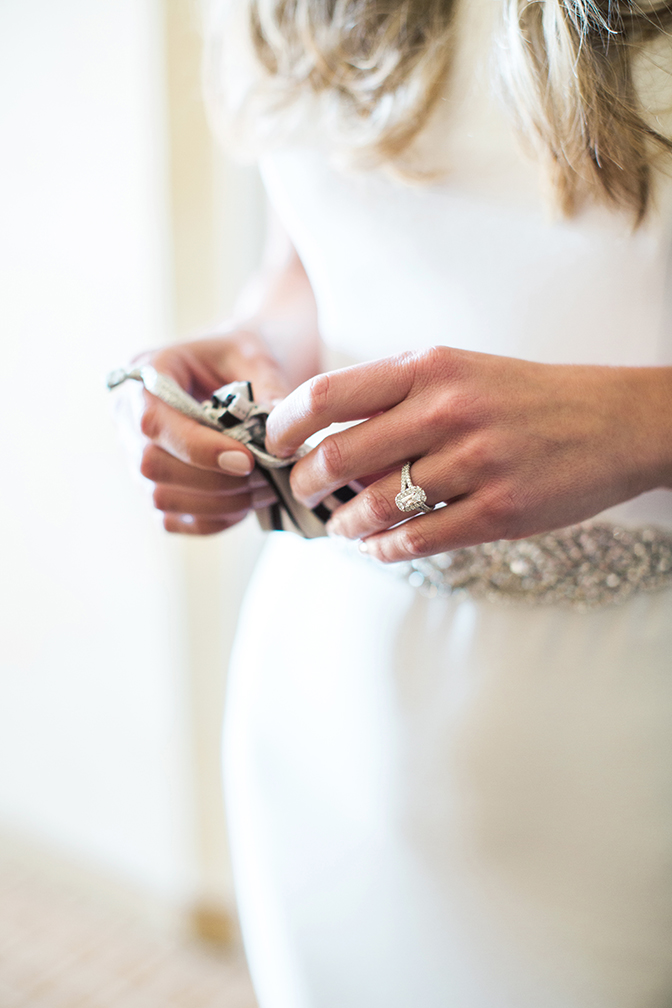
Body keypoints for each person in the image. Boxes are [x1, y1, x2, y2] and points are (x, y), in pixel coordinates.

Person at [131, 1, 672, 1005]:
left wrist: (644, 424)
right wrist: (255, 354)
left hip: (635, 726)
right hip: (329, 681)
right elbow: (306, 265)